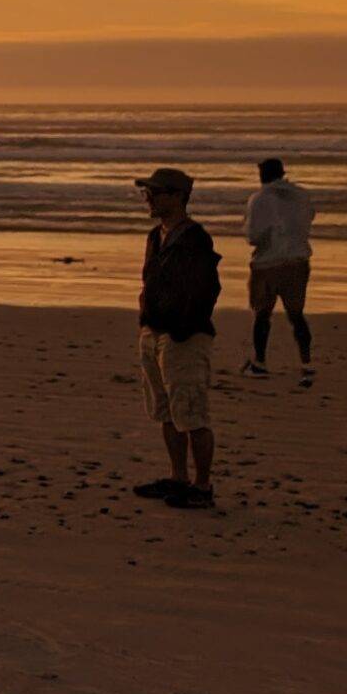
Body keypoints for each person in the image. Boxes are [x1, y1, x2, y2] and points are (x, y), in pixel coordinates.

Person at [132, 167, 222, 511]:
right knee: (167, 411)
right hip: (155, 332)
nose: (149, 199)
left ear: (178, 197)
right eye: (147, 193)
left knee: (192, 413)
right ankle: (178, 477)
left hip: (184, 336)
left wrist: (180, 327)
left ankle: (202, 485)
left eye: (155, 193)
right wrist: (146, 320)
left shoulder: (195, 239)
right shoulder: (156, 236)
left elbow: (207, 289)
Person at [241, 157, 316, 382]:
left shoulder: (259, 199)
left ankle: (260, 362)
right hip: (297, 260)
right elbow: (309, 219)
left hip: (267, 262)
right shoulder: (302, 196)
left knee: (262, 315)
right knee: (296, 315)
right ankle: (306, 362)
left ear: (263, 175)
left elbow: (253, 237)